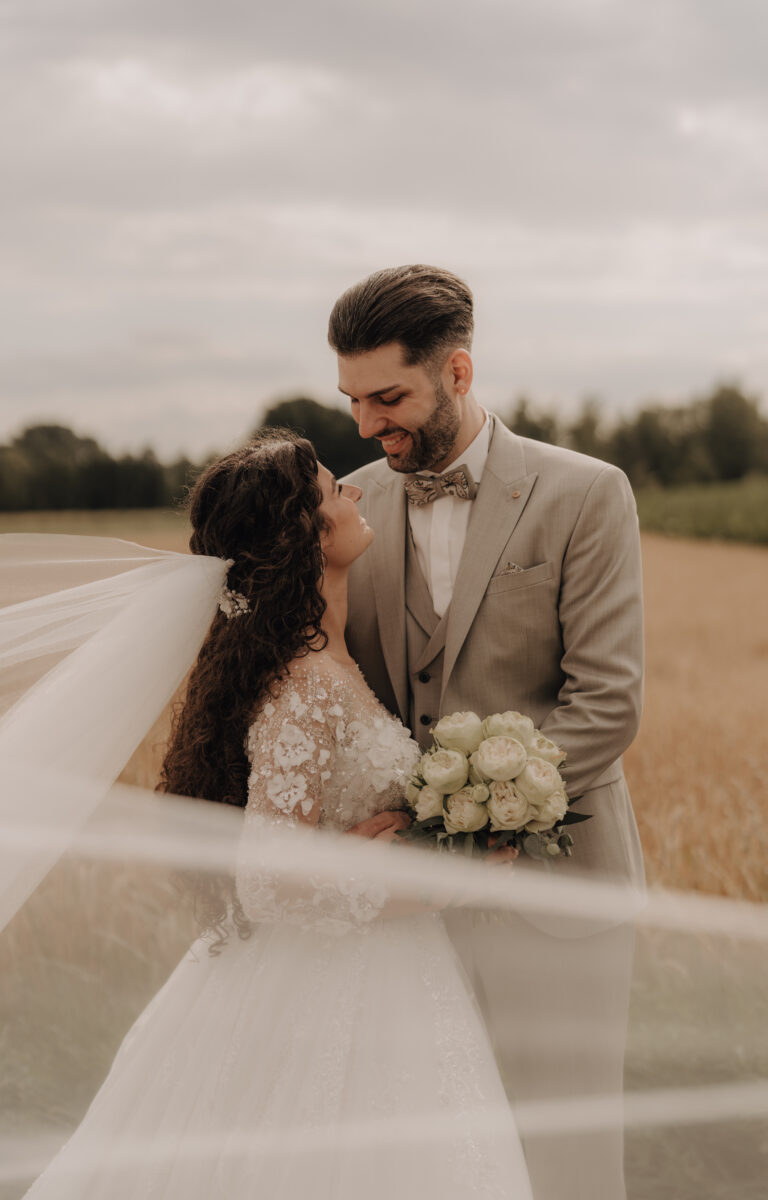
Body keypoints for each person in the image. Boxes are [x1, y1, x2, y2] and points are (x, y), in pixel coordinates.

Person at [4, 431, 533, 1200]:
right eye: (331, 491)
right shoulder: (308, 682)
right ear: (303, 535)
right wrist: (444, 883)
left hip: (374, 963)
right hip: (334, 983)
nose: (353, 493)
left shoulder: (324, 658)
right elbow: (271, 883)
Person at [332, 264, 646, 1200]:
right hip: (399, 924)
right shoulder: (344, 508)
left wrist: (461, 830)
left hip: (561, 903)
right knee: (429, 1162)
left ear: (458, 374)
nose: (365, 425)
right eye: (350, 400)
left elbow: (607, 703)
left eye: (388, 396)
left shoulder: (585, 494)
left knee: (566, 1161)